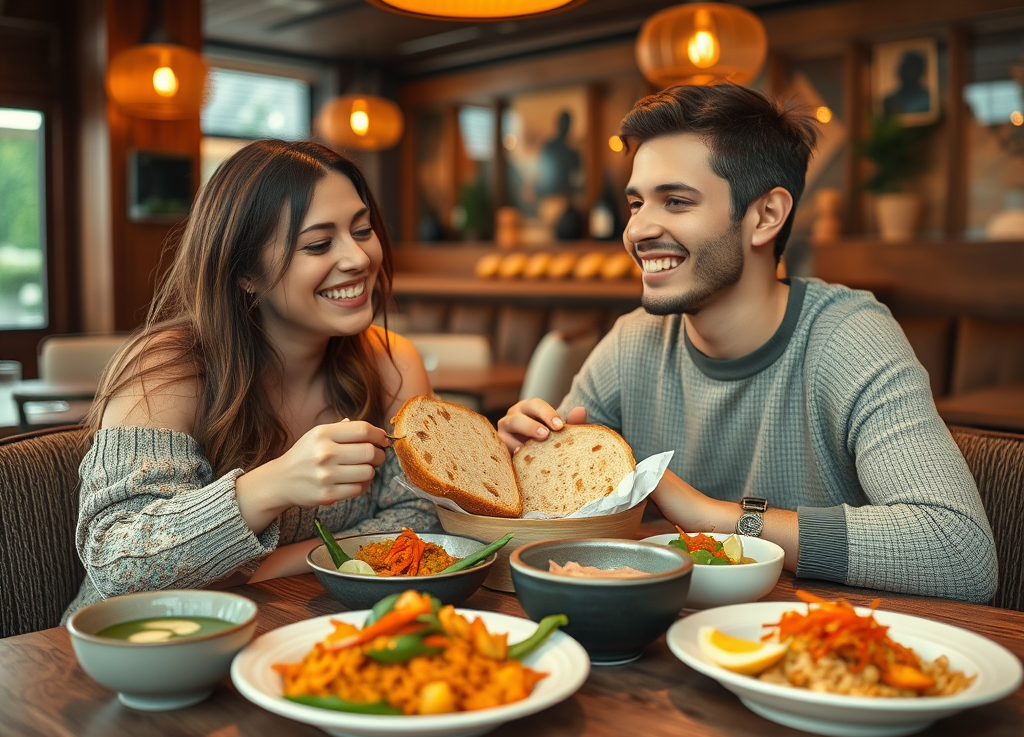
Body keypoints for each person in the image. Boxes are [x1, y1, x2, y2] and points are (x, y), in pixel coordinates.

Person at [498, 83, 997, 604]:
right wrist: (513, 469)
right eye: (636, 203)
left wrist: (712, 517)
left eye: (676, 201)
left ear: (766, 216)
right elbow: (552, 528)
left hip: (814, 637)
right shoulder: (632, 343)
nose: (637, 230)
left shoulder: (849, 338)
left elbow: (959, 553)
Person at [62, 140, 438, 620]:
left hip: (294, 627)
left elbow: (421, 518)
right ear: (245, 272)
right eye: (318, 244)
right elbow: (116, 561)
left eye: (362, 230)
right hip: (129, 644)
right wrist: (272, 486)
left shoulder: (391, 363)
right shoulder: (166, 369)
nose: (359, 258)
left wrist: (268, 566)